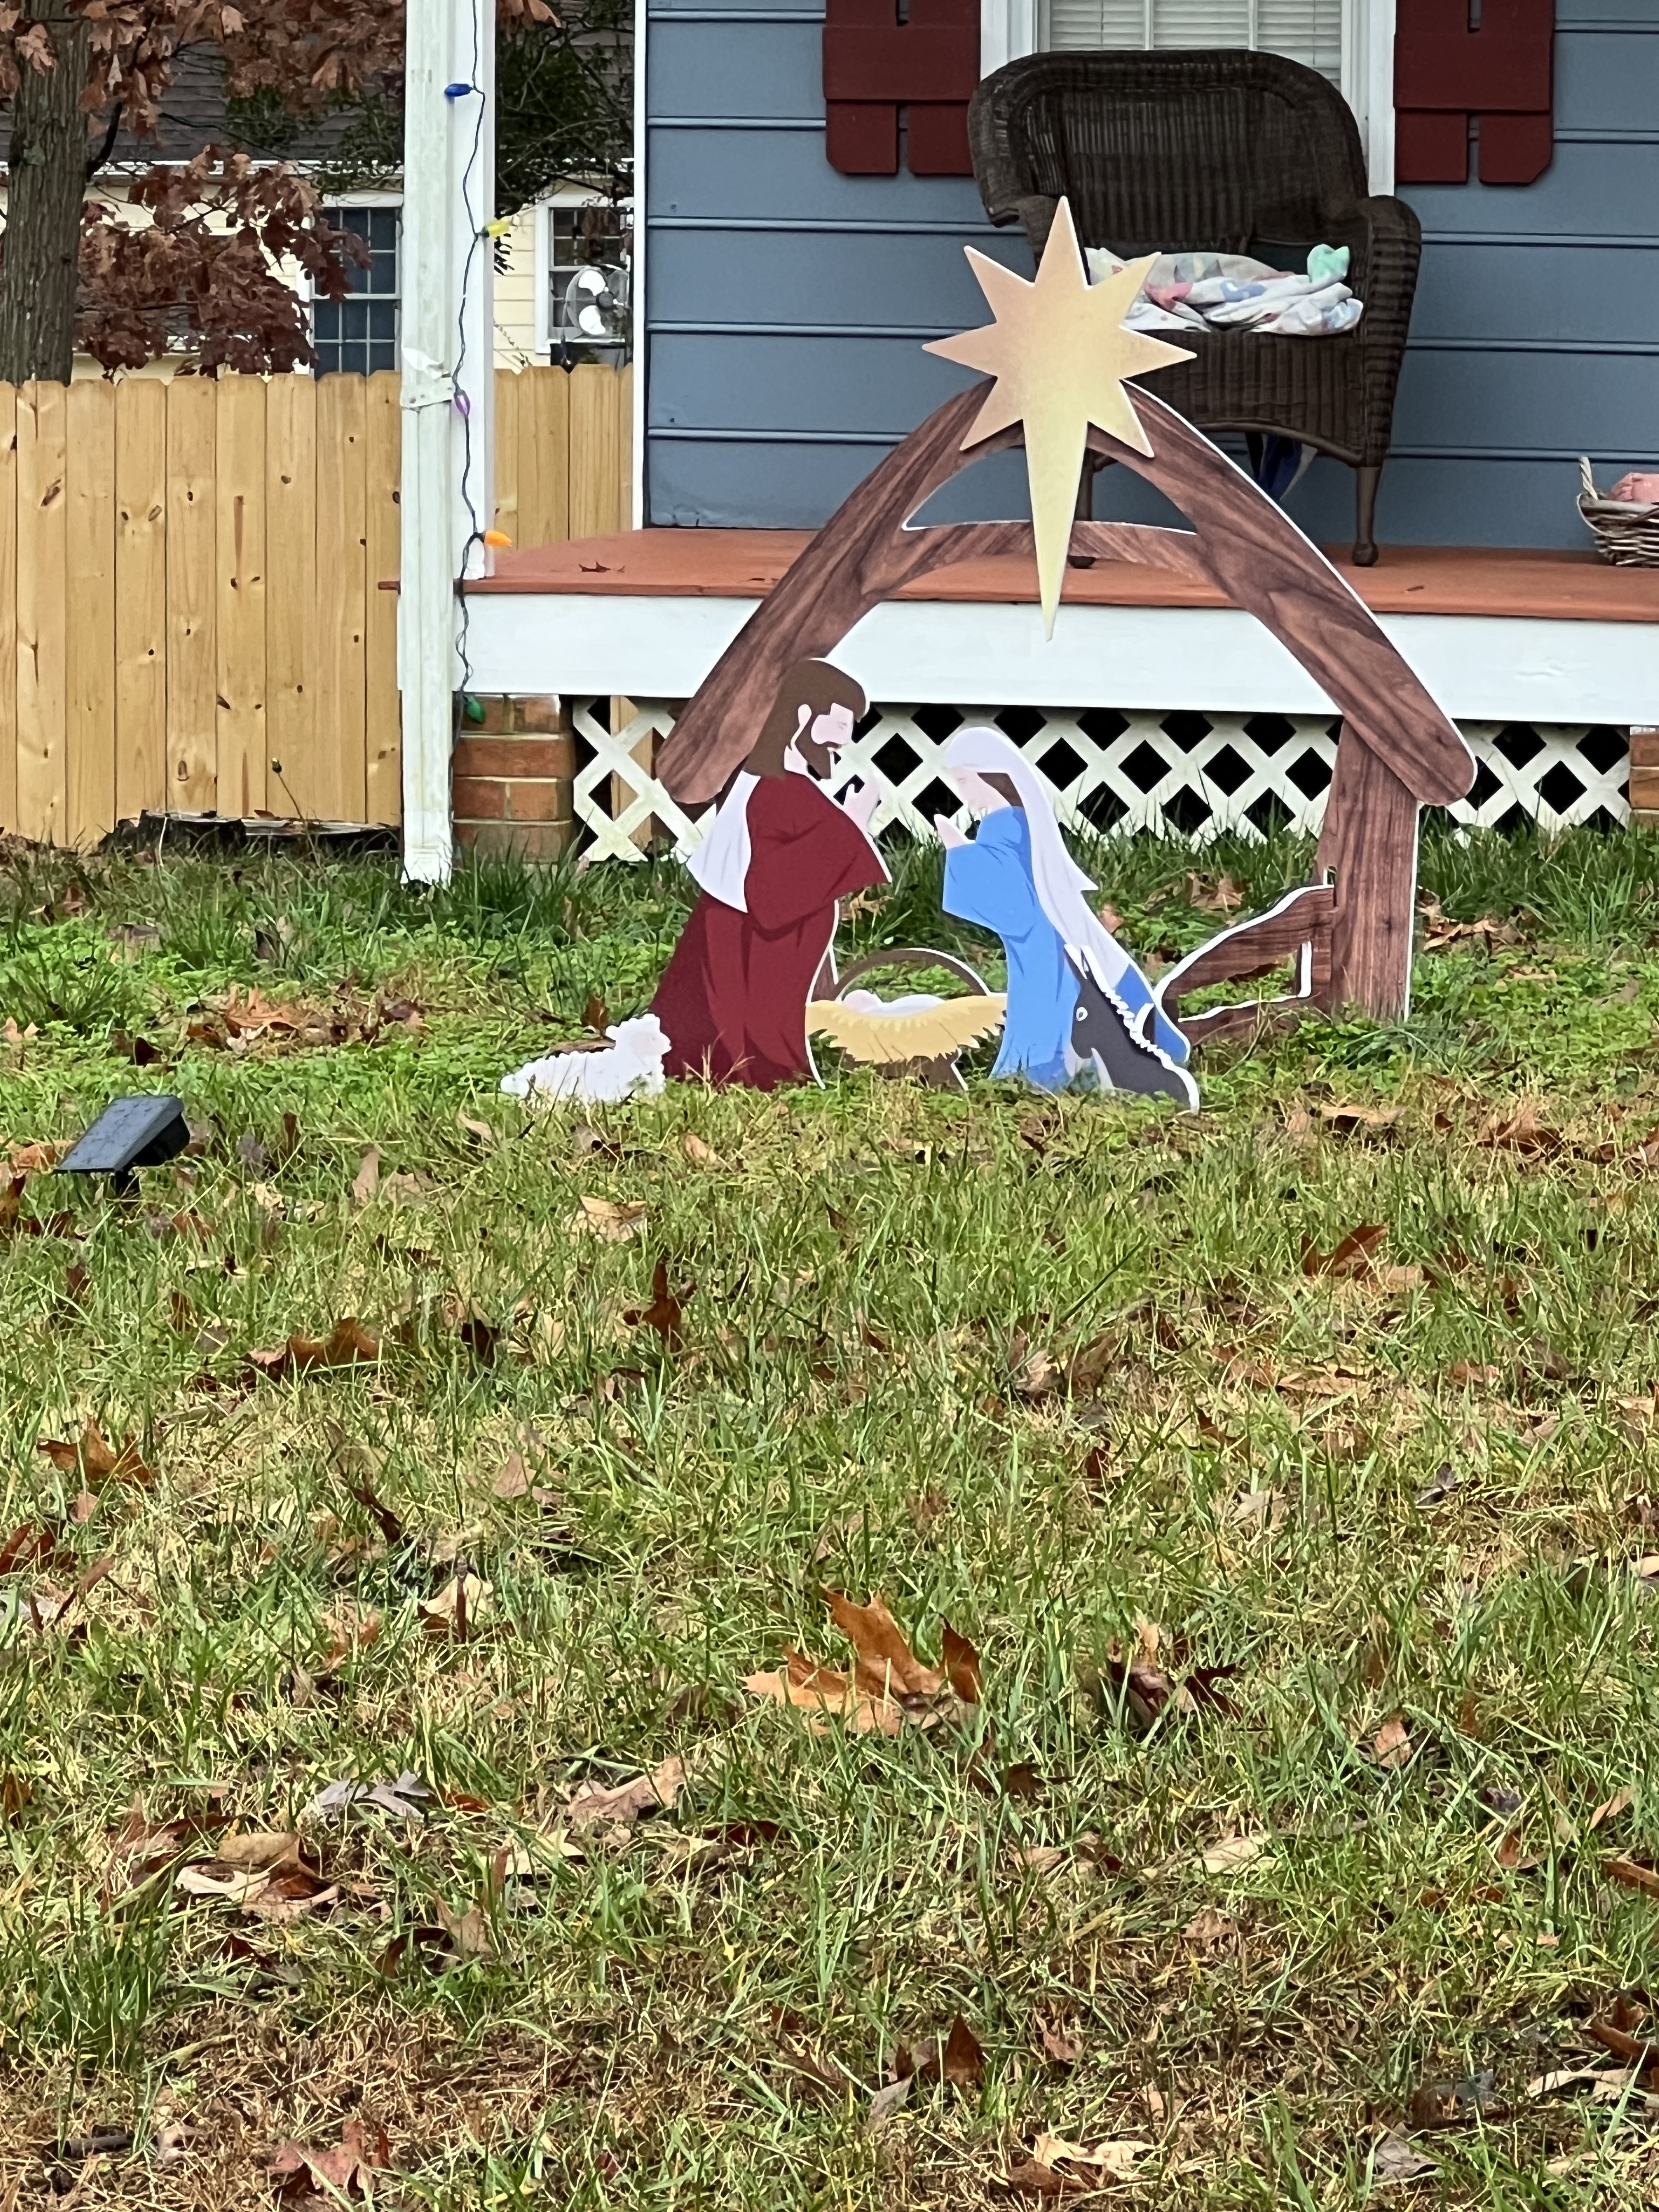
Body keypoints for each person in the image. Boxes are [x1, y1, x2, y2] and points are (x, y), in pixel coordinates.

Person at [650, 659, 888, 1089]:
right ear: (803, 714)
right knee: (739, 1030)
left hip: (745, 933)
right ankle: (762, 1065)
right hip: (746, 943)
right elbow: (773, 888)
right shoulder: (777, 787)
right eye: (838, 724)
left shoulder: (781, 781)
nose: (843, 740)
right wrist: (853, 823)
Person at [934, 725, 1190, 1091]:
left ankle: (1047, 1069)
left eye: (963, 780)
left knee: (1049, 998)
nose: (962, 792)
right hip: (1051, 928)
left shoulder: (1003, 824)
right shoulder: (1019, 820)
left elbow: (1015, 904)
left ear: (988, 776)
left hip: (1041, 938)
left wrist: (960, 852)